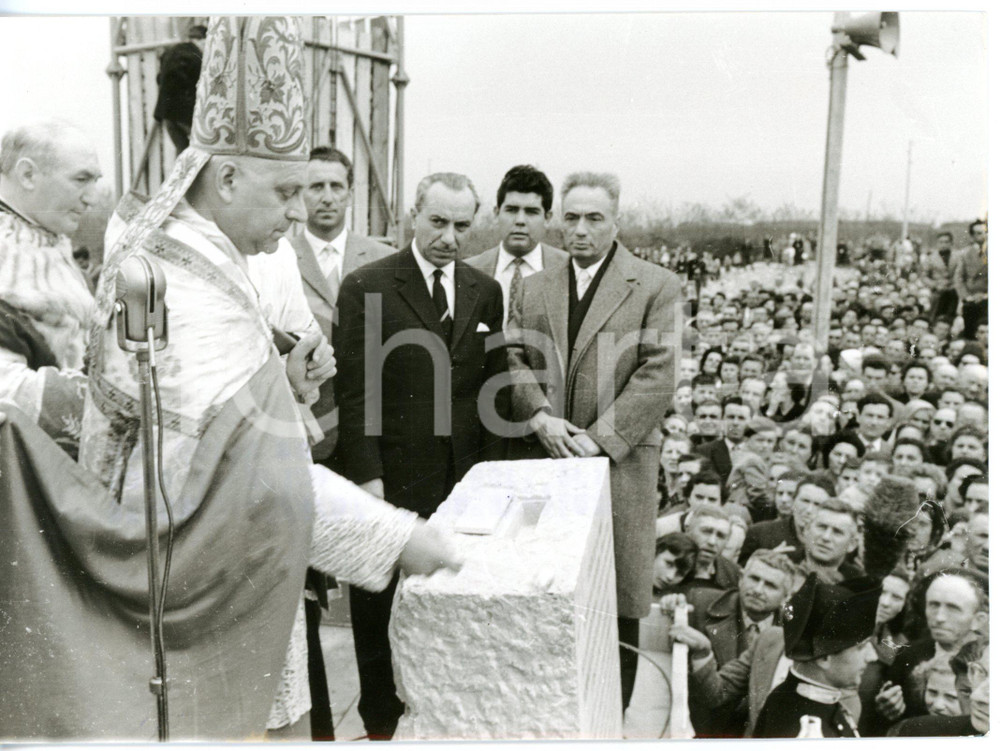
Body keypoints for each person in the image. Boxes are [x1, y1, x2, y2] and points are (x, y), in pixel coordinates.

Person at [6, 18, 457, 741]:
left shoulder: (196, 253)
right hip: (190, 601)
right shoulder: (185, 288)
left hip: (211, 576)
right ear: (224, 175)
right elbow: (253, 482)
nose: (297, 213)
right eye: (285, 192)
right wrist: (403, 539)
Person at [334, 171, 507, 739]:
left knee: (455, 612)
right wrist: (367, 481)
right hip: (394, 483)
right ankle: (381, 726)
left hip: (463, 487)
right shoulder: (368, 287)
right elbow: (355, 392)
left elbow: (491, 391)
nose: (450, 237)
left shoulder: (486, 291)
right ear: (414, 215)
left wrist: (491, 485)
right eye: (438, 222)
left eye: (462, 225)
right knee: (380, 616)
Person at [507, 170, 680, 711]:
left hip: (618, 464)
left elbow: (658, 373)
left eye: (594, 219)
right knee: (548, 592)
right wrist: (538, 415)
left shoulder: (655, 284)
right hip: (547, 457)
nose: (580, 230)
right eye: (572, 218)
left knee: (617, 605)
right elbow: (511, 356)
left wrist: (601, 439)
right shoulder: (533, 286)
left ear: (617, 221)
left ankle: (612, 720)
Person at [286, 144, 396, 740]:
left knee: (374, 572)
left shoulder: (380, 258)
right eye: (314, 186)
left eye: (336, 186)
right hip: (316, 434)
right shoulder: (278, 254)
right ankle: (319, 721)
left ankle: (381, 711)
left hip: (371, 433)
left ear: (351, 192)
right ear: (300, 194)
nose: (325, 197)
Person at [0, 119, 100, 457]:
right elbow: (6, 394)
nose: (92, 199)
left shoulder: (52, 240)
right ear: (27, 175)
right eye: (81, 179)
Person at [661, 550, 797, 737]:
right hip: (699, 732)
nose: (758, 590)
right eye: (754, 579)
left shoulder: (791, 634)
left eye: (770, 585)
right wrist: (670, 606)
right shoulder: (699, 601)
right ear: (741, 578)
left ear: (786, 597)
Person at [752, 573, 881, 737]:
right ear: (823, 658)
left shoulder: (789, 698)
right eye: (861, 647)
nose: (872, 656)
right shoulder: (807, 733)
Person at [464, 164, 567, 329]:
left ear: (547, 218)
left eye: (531, 212)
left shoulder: (568, 269)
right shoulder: (468, 270)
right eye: (511, 210)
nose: (520, 220)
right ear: (496, 213)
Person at [153, 24, 207, 152]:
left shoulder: (171, 51)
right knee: (200, 151)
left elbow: (159, 78)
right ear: (202, 40)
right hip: (184, 114)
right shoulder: (195, 56)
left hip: (166, 113)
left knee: (183, 153)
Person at [953, 219, 987, 339]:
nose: (982, 236)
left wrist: (985, 295)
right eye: (977, 233)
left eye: (984, 232)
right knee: (968, 324)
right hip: (969, 297)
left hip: (986, 297)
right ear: (972, 236)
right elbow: (959, 277)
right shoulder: (965, 253)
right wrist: (966, 296)